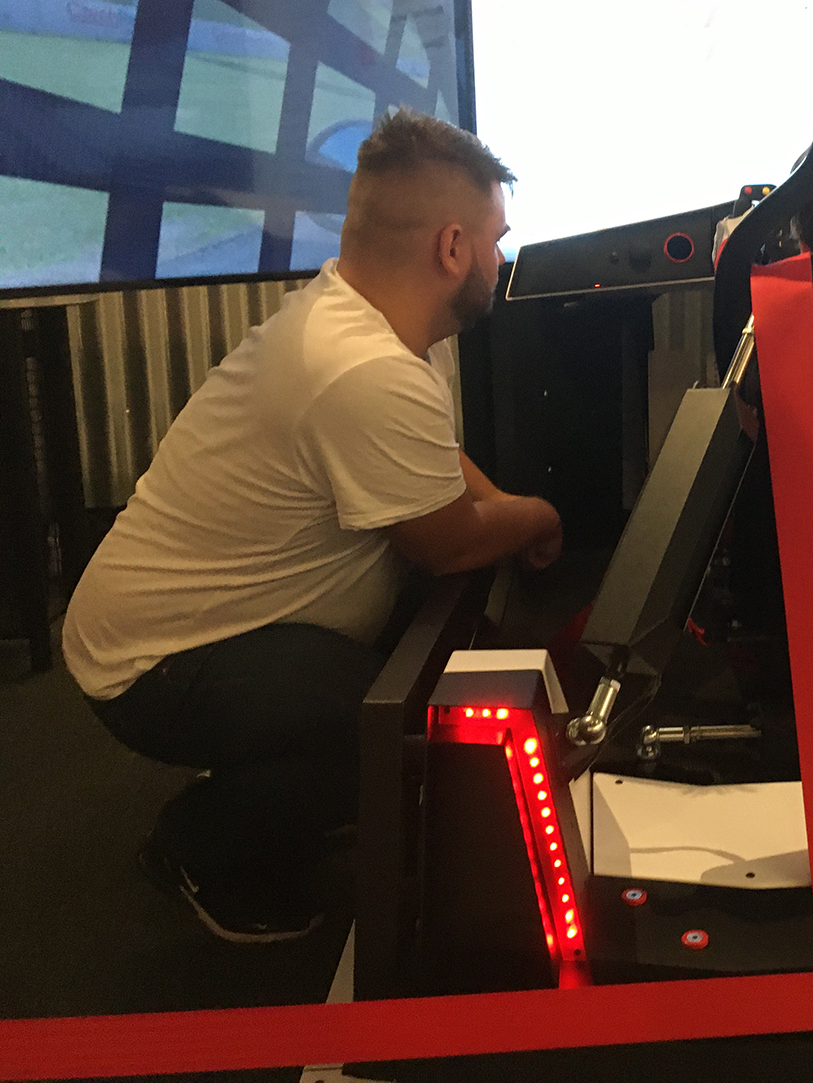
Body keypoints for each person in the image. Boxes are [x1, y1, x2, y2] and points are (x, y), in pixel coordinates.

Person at [62, 109, 560, 942]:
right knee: (396, 729)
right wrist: (540, 517)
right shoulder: (361, 366)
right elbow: (448, 545)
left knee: (419, 676)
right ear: (452, 248)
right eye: (496, 240)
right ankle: (196, 847)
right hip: (149, 665)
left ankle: (280, 769)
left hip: (203, 626)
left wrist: (504, 507)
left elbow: (432, 457)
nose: (501, 260)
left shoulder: (380, 316)